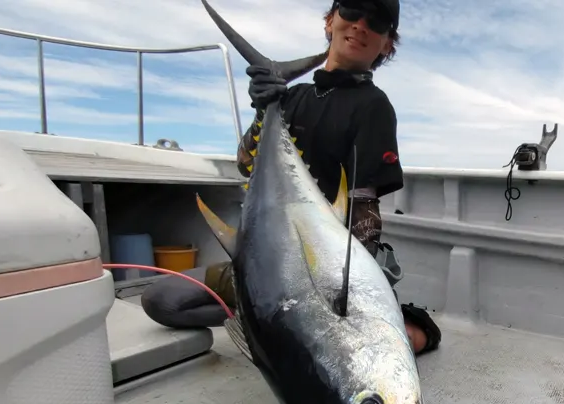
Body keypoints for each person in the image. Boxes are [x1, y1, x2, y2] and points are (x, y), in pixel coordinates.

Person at [141, 0, 441, 356]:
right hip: (263, 260)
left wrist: (348, 289)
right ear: (330, 21)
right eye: (351, 10)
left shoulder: (372, 105)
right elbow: (244, 162)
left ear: (387, 44)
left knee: (397, 344)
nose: (361, 24)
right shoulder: (290, 98)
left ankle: (295, 324)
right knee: (161, 300)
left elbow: (364, 202)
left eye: (377, 21)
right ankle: (266, 322)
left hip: (320, 269)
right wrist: (261, 110)